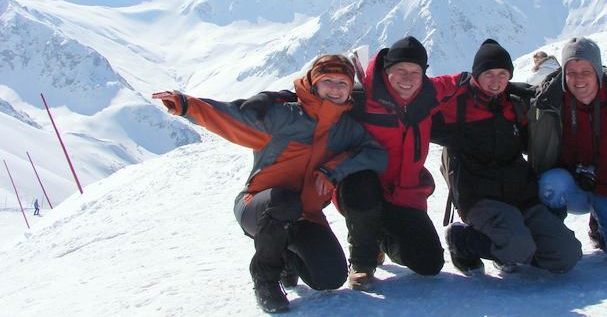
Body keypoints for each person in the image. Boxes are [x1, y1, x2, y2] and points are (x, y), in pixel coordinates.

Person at [152, 54, 387, 313]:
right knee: (284, 202)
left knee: (330, 277)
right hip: (258, 205)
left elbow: (376, 153)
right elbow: (231, 117)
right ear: (313, 83)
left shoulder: (346, 128)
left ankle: (285, 255)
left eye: (342, 83)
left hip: (305, 214)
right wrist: (186, 105)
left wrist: (334, 168)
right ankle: (265, 279)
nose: (334, 88)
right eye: (327, 81)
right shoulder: (283, 116)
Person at [432, 39, 582, 276]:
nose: (496, 81)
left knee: (567, 254)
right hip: (480, 198)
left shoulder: (514, 102)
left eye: (502, 74)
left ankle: (510, 246)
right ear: (476, 75)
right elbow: (418, 99)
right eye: (488, 74)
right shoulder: (457, 106)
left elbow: (544, 106)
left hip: (521, 195)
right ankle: (463, 240)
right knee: (518, 247)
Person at [336, 36, 467, 290]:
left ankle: (382, 237)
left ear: (423, 74)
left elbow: (458, 82)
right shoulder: (362, 98)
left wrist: (501, 84)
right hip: (360, 192)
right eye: (400, 71)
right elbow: (323, 101)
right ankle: (363, 261)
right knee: (361, 183)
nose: (407, 79)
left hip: (404, 195)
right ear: (387, 70)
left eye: (414, 72)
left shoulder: (428, 94)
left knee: (429, 264)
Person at [525, 37, 607, 267]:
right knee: (550, 184)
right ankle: (552, 240)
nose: (578, 79)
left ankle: (601, 228)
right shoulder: (548, 100)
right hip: (570, 186)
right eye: (571, 72)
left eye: (586, 71)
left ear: (598, 71)